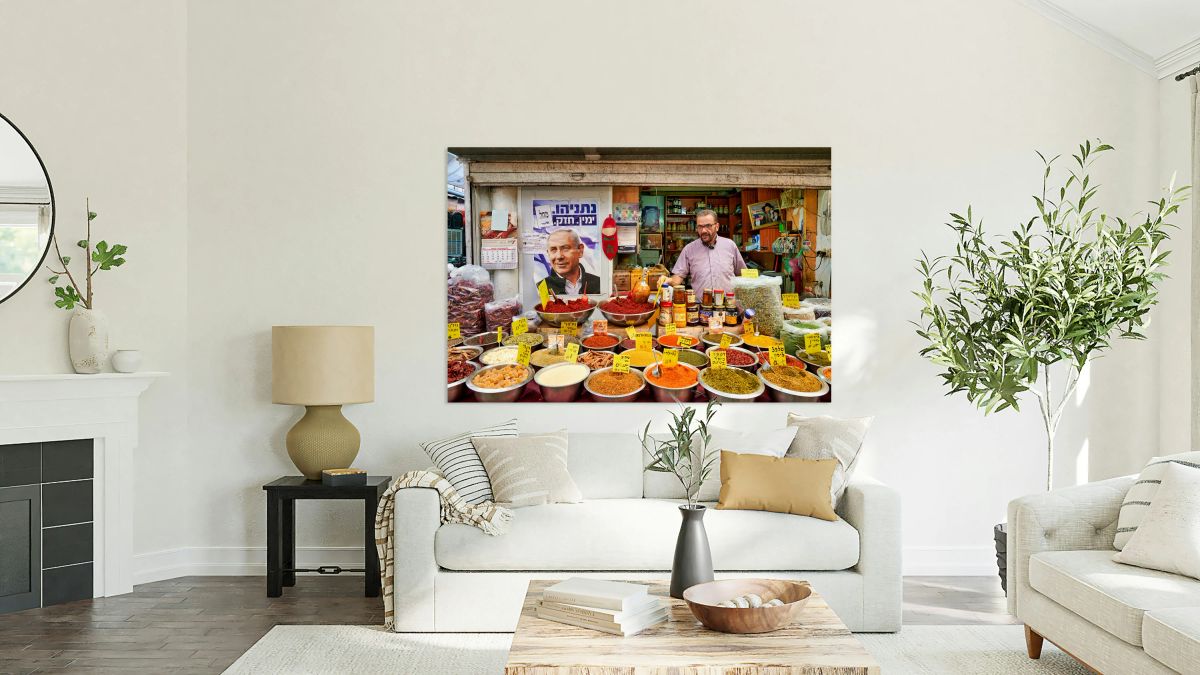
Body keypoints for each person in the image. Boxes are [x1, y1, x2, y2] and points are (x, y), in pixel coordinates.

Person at [666, 209, 747, 294]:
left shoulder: (730, 245)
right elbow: (678, 276)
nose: (703, 231)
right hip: (700, 305)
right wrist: (669, 280)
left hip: (728, 304)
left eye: (708, 226)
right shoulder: (689, 249)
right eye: (700, 227)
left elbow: (742, 274)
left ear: (717, 226)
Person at [543, 228, 601, 295]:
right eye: (553, 250)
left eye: (565, 248)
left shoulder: (599, 284)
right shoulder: (540, 289)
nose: (559, 256)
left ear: (580, 250)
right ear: (548, 253)